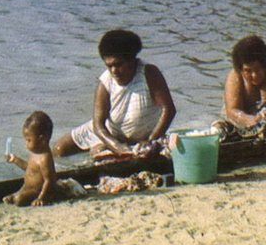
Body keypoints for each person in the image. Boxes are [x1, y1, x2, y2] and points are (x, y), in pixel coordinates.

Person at [53, 29, 176, 158]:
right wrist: (115, 145)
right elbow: (98, 125)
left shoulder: (148, 73)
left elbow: (168, 110)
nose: (114, 71)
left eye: (118, 65)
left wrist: (151, 140)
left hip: (144, 137)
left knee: (101, 153)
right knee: (59, 149)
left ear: (131, 60)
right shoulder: (105, 82)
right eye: (109, 66)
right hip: (110, 132)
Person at [4, 111, 58, 207]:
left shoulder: (44, 158)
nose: (26, 144)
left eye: (29, 140)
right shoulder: (35, 154)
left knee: (18, 200)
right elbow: (29, 169)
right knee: (14, 196)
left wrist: (41, 197)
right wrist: (15, 160)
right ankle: (16, 195)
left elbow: (49, 180)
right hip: (26, 187)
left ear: (42, 139)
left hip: (37, 190)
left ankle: (18, 196)